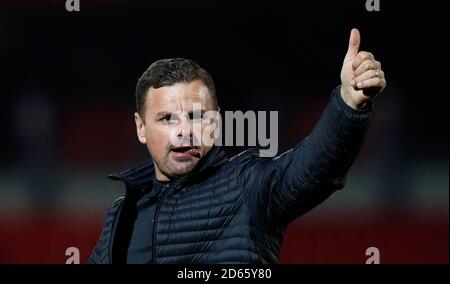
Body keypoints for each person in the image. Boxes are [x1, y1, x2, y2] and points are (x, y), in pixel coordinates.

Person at [88, 28, 386, 264]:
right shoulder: (121, 216)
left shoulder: (246, 183)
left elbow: (314, 168)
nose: (183, 132)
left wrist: (348, 104)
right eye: (167, 119)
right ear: (141, 127)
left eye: (195, 117)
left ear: (215, 124)